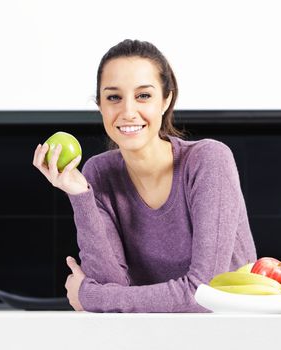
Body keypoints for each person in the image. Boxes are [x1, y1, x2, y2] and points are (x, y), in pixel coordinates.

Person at [32, 39, 256, 312]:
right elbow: (110, 283)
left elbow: (206, 293)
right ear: (100, 105)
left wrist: (90, 296)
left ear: (166, 100)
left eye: (143, 96)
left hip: (230, 334)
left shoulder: (208, 160)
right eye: (114, 97)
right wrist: (79, 195)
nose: (127, 112)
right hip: (147, 335)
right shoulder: (98, 173)